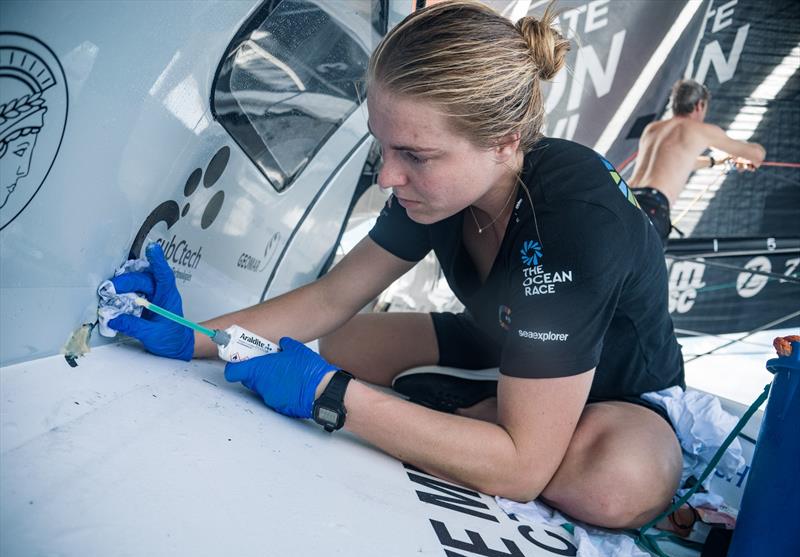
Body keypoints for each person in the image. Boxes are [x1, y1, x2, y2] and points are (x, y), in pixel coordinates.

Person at [109, 0, 685, 529]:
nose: (388, 176)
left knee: (618, 483)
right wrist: (199, 338)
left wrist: (331, 396)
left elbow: (522, 474)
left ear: (507, 141)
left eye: (415, 155)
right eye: (382, 147)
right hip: (499, 345)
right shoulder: (441, 187)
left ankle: (472, 422)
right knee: (341, 339)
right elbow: (331, 299)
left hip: (617, 393)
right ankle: (468, 421)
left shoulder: (576, 215)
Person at [628, 78, 767, 242]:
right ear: (699, 105)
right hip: (652, 206)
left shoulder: (653, 129)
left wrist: (717, 161)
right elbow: (757, 155)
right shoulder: (700, 130)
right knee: (643, 266)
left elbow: (678, 163)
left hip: (626, 197)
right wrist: (748, 155)